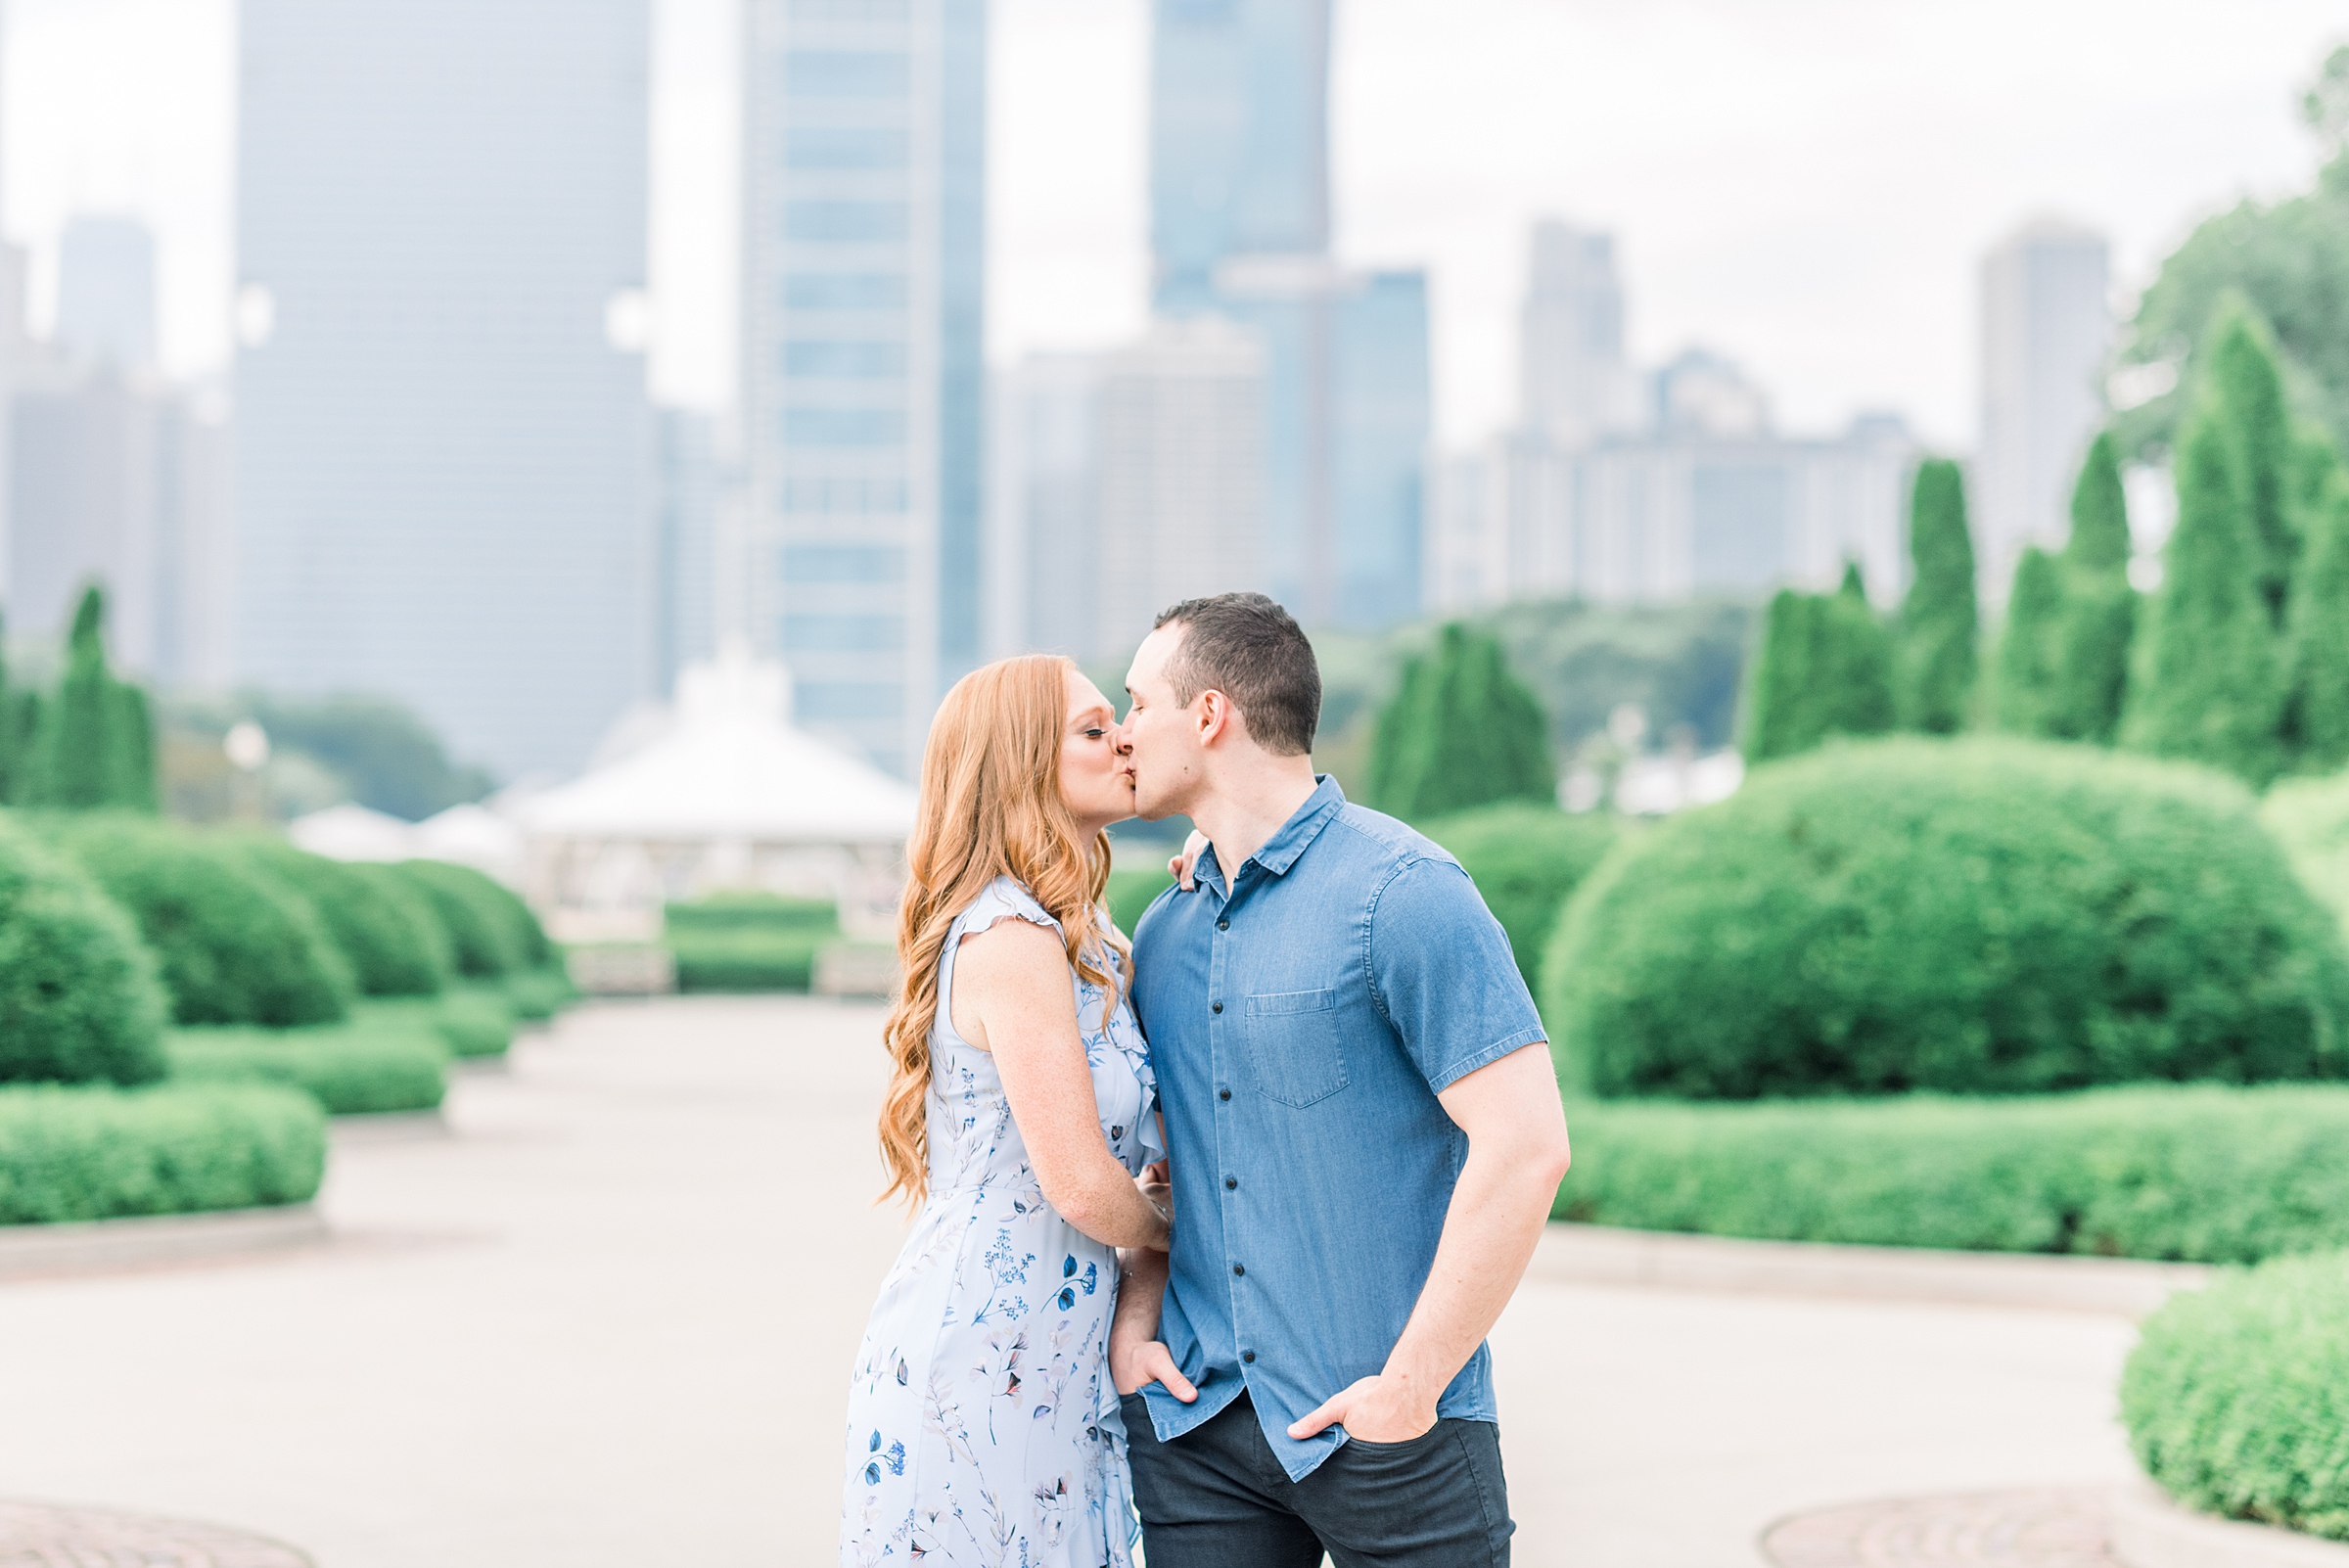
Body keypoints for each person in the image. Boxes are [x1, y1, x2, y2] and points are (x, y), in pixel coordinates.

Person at [1110, 592, 1574, 1566]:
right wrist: (1139, 1323)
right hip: (1197, 1431)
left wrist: (1410, 1386)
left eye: (1137, 702)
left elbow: (1528, 1147)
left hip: (1390, 1430)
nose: (1122, 732)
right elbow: (1171, 1170)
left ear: (1209, 715)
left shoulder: (1406, 893)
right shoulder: (1167, 929)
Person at [840, 655, 1173, 1567]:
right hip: (985, 1345)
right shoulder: (1011, 938)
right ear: (1023, 762)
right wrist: (1181, 1231)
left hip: (1054, 1342)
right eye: (1094, 729)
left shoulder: (1088, 932)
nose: (1125, 742)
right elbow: (1078, 1183)